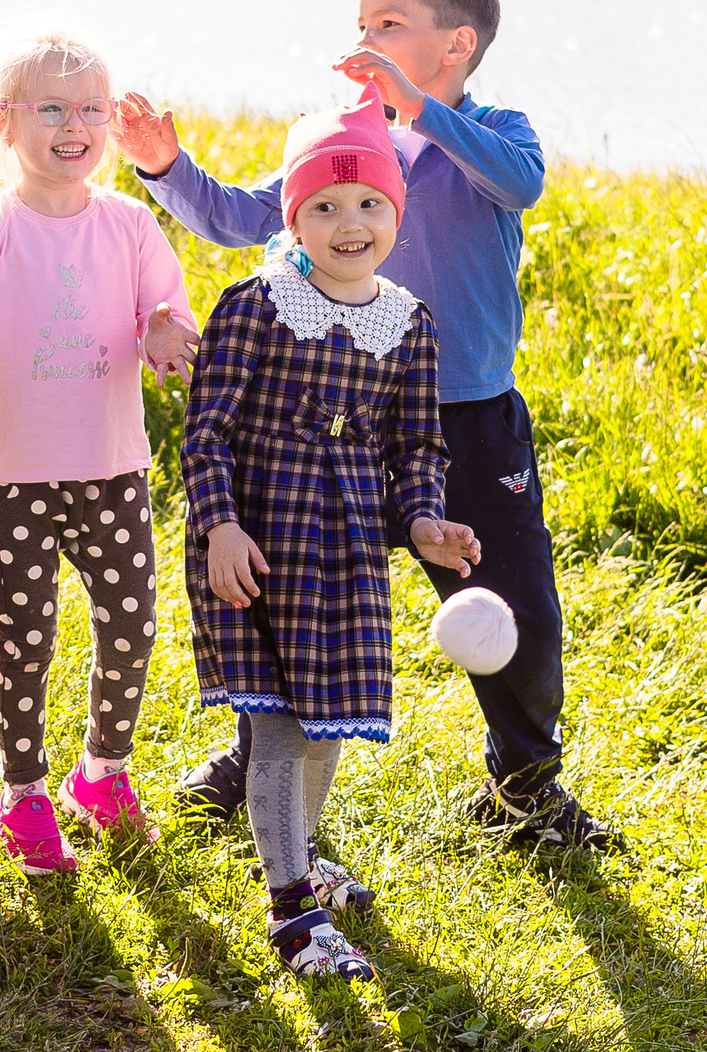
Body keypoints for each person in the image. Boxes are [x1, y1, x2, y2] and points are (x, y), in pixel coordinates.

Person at [117, 0, 622, 853]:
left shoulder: (494, 131)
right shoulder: (352, 142)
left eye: (388, 23)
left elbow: (521, 183)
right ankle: (253, 755)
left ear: (456, 44)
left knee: (519, 609)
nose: (366, 39)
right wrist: (167, 167)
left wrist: (419, 110)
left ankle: (526, 783)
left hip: (467, 418)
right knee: (297, 594)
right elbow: (248, 216)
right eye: (363, 23)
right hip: (334, 423)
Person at [0, 31, 199, 877]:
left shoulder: (129, 224)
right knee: (26, 637)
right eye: (52, 107)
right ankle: (23, 794)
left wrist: (165, 331)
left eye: (92, 108)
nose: (76, 124)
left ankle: (102, 771)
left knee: (130, 624)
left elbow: (163, 309)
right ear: (4, 122)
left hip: (114, 467)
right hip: (16, 474)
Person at [183, 91, 482, 982]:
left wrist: (424, 519)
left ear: (398, 209)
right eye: (324, 205)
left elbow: (415, 444)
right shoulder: (257, 305)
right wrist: (221, 525)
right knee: (277, 728)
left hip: (346, 547)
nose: (349, 223)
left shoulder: (410, 322)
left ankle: (298, 851)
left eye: (369, 205)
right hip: (262, 540)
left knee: (328, 729)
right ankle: (293, 915)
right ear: (293, 216)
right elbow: (206, 430)